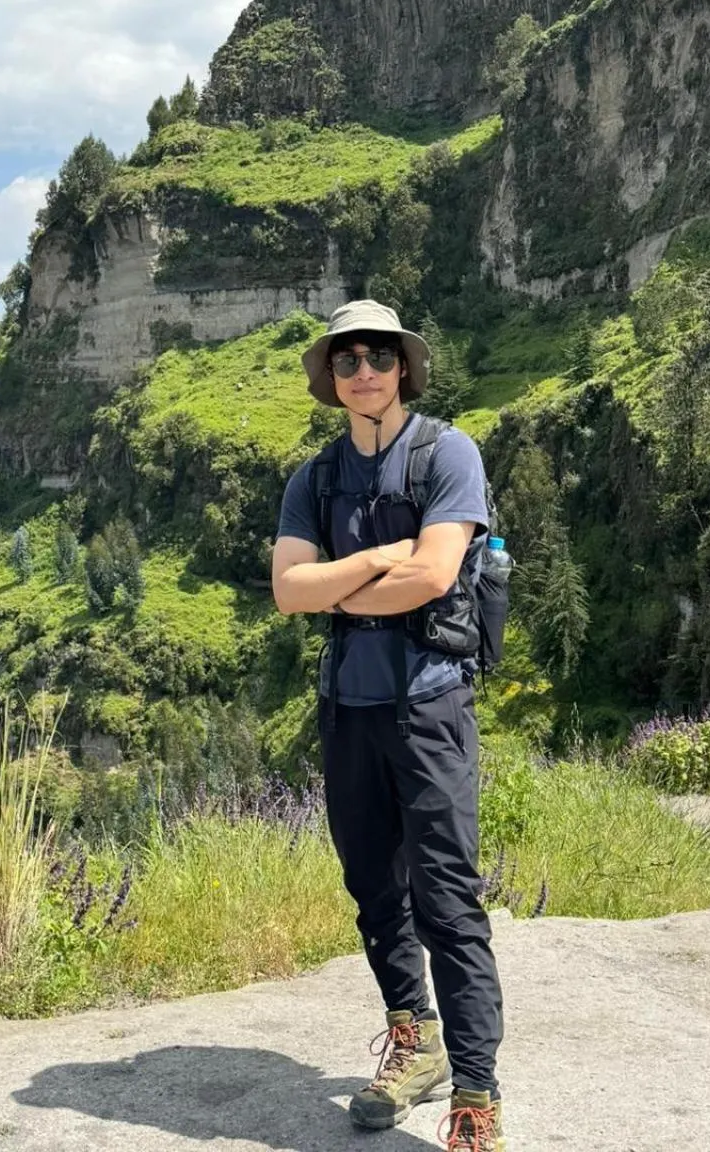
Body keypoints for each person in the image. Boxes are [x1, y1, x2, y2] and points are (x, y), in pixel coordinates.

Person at [272, 301, 505, 1151]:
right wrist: (375, 561)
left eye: (378, 355)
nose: (363, 369)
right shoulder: (317, 477)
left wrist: (336, 581)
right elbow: (288, 591)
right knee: (374, 890)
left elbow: (436, 574)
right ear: (331, 380)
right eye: (346, 360)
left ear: (404, 366)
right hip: (349, 710)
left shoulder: (449, 454)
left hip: (430, 705)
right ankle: (415, 1041)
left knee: (447, 901)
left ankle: (476, 1097)